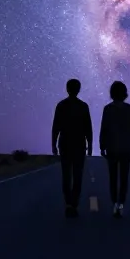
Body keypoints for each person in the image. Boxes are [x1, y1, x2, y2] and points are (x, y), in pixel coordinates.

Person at [51, 78, 93, 217]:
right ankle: (74, 204)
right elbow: (88, 128)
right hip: (79, 145)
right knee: (77, 175)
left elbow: (55, 127)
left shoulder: (61, 105)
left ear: (67, 89)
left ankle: (69, 203)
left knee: (66, 175)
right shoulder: (83, 106)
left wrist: (53, 144)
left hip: (65, 144)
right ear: (78, 89)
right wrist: (90, 145)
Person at [98, 80, 130, 218]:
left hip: (112, 148)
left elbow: (104, 128)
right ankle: (121, 204)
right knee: (124, 178)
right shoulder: (129, 109)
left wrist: (102, 146)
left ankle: (115, 203)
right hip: (126, 148)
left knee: (113, 178)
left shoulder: (107, 109)